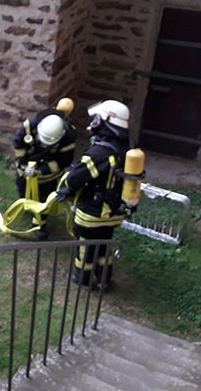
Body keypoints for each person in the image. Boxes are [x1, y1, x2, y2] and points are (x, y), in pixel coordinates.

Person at [55, 100, 132, 290]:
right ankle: (104, 279)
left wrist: (67, 189)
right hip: (113, 213)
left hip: (92, 213)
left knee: (85, 247)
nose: (94, 122)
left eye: (98, 118)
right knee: (104, 246)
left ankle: (82, 277)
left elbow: (77, 176)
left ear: (107, 121)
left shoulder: (100, 152)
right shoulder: (126, 148)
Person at [13, 98, 78, 239]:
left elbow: (63, 161)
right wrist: (23, 163)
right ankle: (24, 204)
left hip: (48, 175)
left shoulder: (69, 135)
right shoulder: (31, 124)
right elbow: (18, 142)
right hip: (25, 168)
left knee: (44, 200)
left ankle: (39, 225)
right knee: (21, 187)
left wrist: (40, 171)